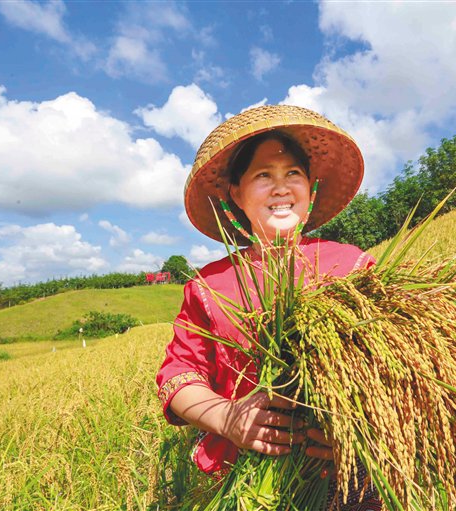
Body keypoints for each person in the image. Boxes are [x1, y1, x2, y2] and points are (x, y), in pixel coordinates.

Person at [156, 105, 381, 510]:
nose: (280, 187)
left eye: (292, 174)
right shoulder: (209, 285)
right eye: (263, 176)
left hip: (350, 473)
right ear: (236, 195)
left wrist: (357, 430)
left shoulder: (352, 265)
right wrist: (228, 418)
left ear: (310, 188)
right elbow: (178, 375)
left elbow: (397, 369)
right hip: (250, 477)